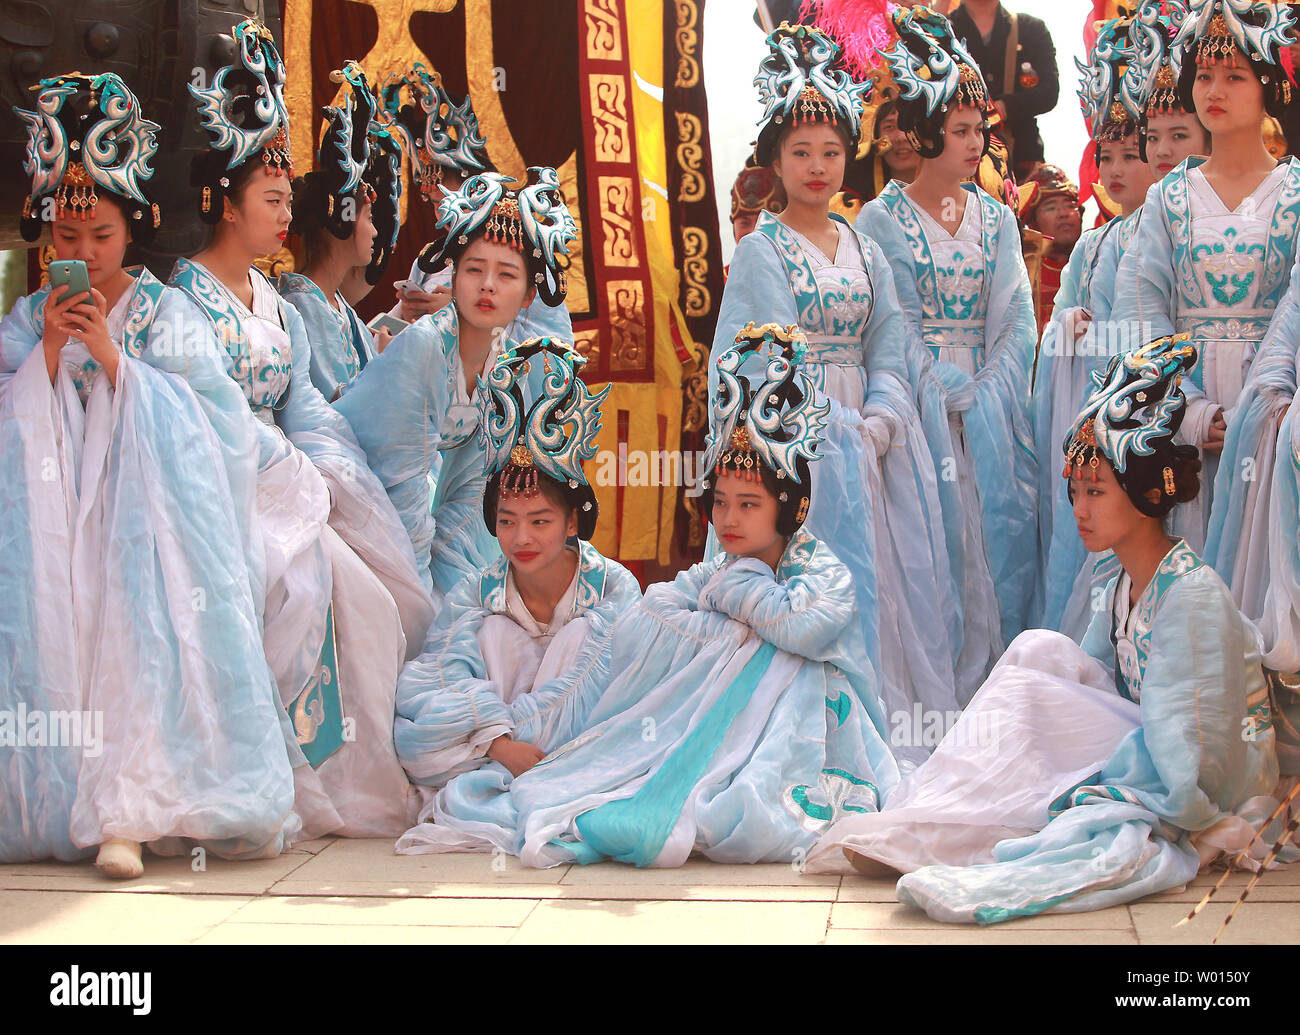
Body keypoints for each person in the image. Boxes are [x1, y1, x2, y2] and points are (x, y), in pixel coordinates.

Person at [807, 334, 1293, 923]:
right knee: (1037, 653)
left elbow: (1199, 747)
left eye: (1095, 491)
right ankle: (939, 816)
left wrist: (1157, 807)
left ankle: (949, 825)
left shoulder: (1189, 596)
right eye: (1074, 492)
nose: (1079, 509)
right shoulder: (1120, 581)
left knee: (1036, 686)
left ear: (1144, 493)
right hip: (1139, 744)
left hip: (1182, 773)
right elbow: (1088, 680)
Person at [399, 324, 901, 865]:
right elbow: (653, 618)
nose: (729, 519)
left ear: (793, 510)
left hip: (806, 747)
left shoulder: (804, 572)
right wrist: (497, 742)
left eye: (748, 504)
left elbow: (812, 621)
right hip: (523, 738)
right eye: (721, 502)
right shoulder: (701, 577)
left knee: (796, 662)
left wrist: (739, 606)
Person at [0, 72, 295, 876]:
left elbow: (219, 429)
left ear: (133, 226)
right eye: (66, 239)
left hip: (140, 524)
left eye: (99, 234)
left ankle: (129, 808)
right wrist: (51, 358)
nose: (84, 254)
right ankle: (59, 796)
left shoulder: (164, 314)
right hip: (52, 529)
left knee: (139, 634)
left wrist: (112, 361)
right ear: (44, 240)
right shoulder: (26, 322)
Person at [171, 18, 435, 839]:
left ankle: (334, 776)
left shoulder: (276, 302)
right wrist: (288, 472)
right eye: (274, 200)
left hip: (288, 484)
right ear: (225, 201)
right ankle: (250, 776)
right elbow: (202, 414)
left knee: (365, 596)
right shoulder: (179, 301)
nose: (288, 216)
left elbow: (307, 405)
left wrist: (328, 467)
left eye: (288, 200)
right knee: (292, 587)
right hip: (219, 494)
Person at [713, 22, 963, 768]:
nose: (817, 167)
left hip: (871, 443)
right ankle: (805, 741)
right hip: (801, 450)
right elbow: (757, 360)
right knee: (814, 579)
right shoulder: (763, 249)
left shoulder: (863, 244)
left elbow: (890, 337)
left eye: (829, 150)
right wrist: (827, 427)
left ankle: (880, 729)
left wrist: (885, 411)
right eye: (800, 153)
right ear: (775, 161)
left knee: (882, 582)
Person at [391, 340, 642, 848]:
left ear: (573, 520)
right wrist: (501, 745)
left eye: (540, 521)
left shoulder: (612, 587)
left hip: (584, 751)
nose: (521, 538)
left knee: (585, 637)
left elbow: (632, 691)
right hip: (498, 752)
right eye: (507, 521)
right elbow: (432, 683)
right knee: (495, 635)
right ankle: (522, 780)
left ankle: (558, 780)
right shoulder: (475, 594)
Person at [857, 7, 1039, 695]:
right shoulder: (881, 217)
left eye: (980, 130)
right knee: (936, 550)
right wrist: (936, 388)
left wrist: (990, 390)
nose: (975, 143)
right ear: (927, 130)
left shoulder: (996, 217)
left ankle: (1004, 688)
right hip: (919, 406)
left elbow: (1016, 319)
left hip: (991, 409)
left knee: (998, 543)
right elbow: (892, 322)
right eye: (961, 130)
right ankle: (945, 699)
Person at [1113, 0, 1300, 572]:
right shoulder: (1168, 198)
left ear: (1269, 85)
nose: (1214, 89)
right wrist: (1187, 409)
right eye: (1204, 75)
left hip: (1279, 407)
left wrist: (1267, 408)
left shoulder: (1296, 192)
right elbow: (1141, 313)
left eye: (1234, 76)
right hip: (1182, 415)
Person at [337, 166, 579, 606]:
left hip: (416, 509)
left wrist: (458, 579)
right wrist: (425, 595)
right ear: (453, 277)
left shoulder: (501, 364)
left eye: (506, 275)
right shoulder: (425, 347)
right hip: (361, 502)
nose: (487, 285)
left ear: (528, 297)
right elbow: (400, 487)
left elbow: (469, 487)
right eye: (473, 270)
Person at [1033, 10, 1160, 636]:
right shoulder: (1096, 241)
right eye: (1105, 156)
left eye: (1130, 155)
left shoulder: (1169, 229)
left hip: (1148, 414)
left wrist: (1097, 335)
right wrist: (1071, 328)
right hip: (1093, 416)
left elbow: (1158, 334)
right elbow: (1057, 327)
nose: (1113, 171)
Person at [379, 66, 570, 342]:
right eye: (435, 203)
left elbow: (556, 359)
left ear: (482, 191)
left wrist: (462, 317)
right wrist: (404, 315)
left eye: (453, 201)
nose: (444, 215)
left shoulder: (527, 259)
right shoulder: (430, 262)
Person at [278, 62, 399, 401]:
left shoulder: (335, 303)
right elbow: (335, 401)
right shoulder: (303, 305)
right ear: (342, 222)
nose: (375, 232)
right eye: (369, 218)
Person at [948, 0, 1059, 178]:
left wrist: (1004, 107)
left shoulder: (1031, 29)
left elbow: (1049, 92)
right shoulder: (943, 30)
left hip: (1022, 159)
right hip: (961, 164)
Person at [1019, 165, 1084, 336]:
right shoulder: (1021, 275)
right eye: (1051, 207)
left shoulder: (1096, 266)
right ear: (1032, 222)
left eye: (1070, 205)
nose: (1063, 214)